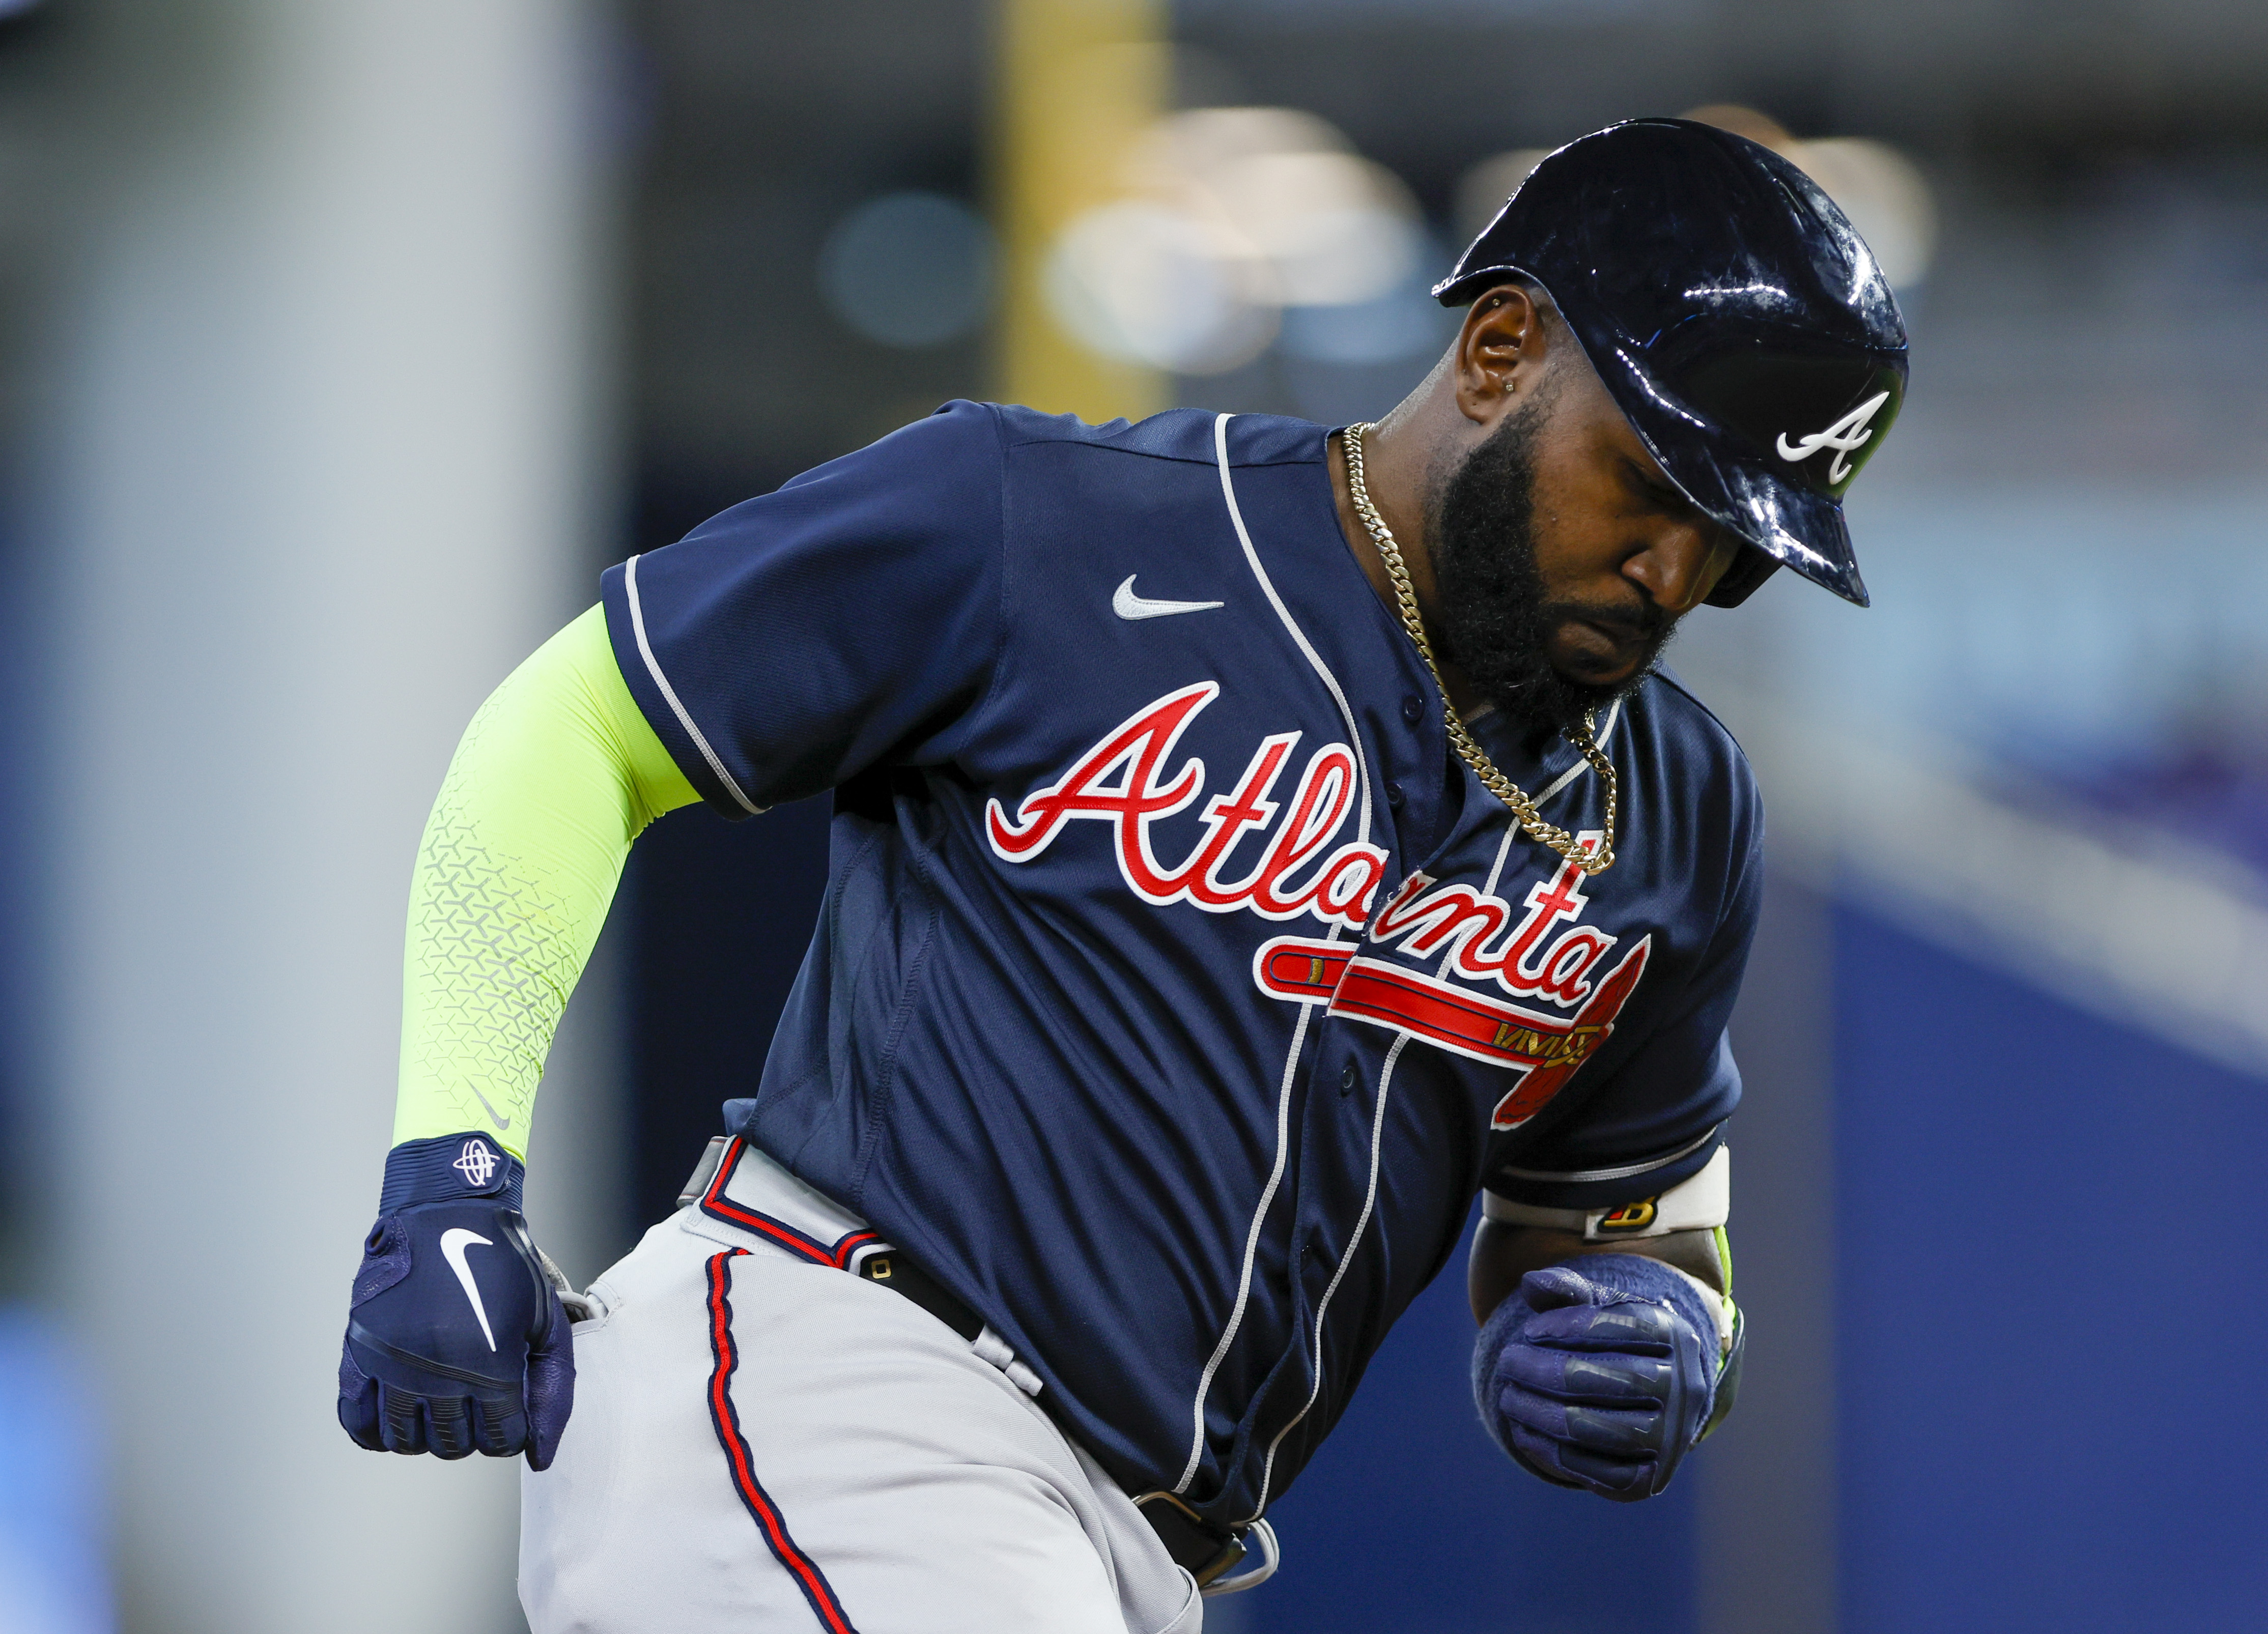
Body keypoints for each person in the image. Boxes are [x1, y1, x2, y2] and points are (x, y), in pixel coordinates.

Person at [335, 117, 1907, 1633]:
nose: (1677, 571)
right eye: (1651, 484)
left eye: (1737, 543)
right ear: (1500, 351)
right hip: (848, 1383)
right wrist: (449, 1171)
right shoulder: (1043, 524)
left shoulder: (1675, 809)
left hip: (1135, 1552)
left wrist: (1671, 1320)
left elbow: (1633, 1212)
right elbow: (574, 726)